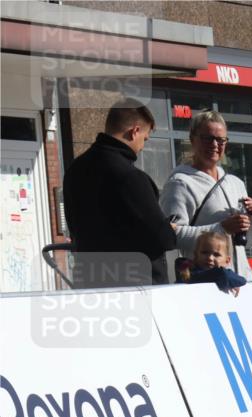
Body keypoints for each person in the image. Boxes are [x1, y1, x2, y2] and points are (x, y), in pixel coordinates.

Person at [63, 98, 177, 286]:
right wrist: (169, 230)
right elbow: (161, 238)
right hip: (135, 285)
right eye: (145, 139)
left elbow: (74, 226)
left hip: (90, 281)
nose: (142, 147)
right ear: (135, 131)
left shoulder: (75, 170)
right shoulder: (130, 177)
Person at [160, 111, 252, 281]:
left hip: (241, 282)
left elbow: (250, 243)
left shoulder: (236, 183)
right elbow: (170, 236)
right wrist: (222, 228)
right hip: (206, 283)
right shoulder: (179, 183)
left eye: (221, 140)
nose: (215, 145)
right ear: (192, 139)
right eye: (207, 138)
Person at [177, 231, 246, 295]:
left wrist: (231, 282)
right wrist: (230, 282)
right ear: (196, 255)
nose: (210, 258)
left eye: (216, 255)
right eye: (204, 252)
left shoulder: (222, 273)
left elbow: (242, 281)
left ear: (227, 261)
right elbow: (222, 275)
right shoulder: (190, 274)